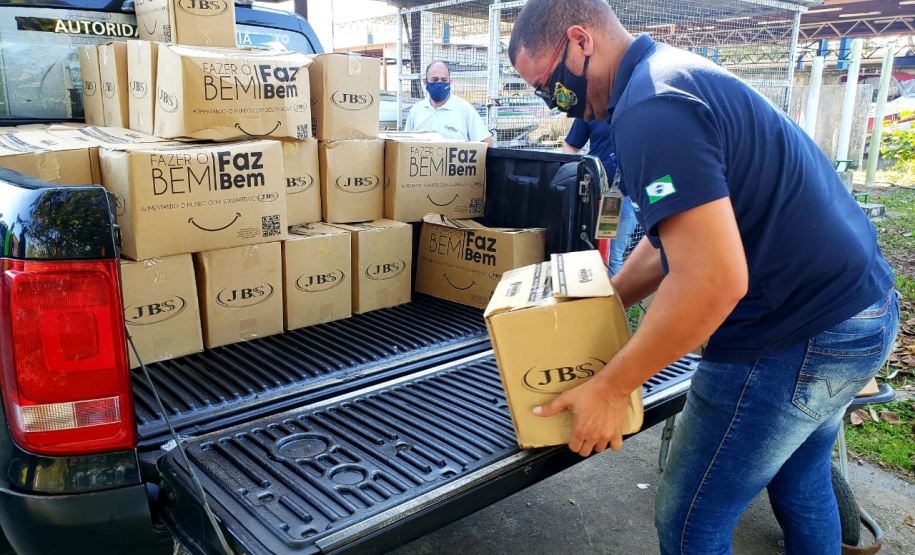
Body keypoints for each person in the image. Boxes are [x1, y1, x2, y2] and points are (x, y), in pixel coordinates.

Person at [508, 1, 898, 553]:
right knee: (803, 481)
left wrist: (612, 389)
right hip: (860, 312)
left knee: (691, 519)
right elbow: (672, 236)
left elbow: (711, 279)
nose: (554, 102)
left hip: (792, 336)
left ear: (580, 40)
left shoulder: (652, 109)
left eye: (550, 85)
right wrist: (606, 300)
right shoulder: (666, 78)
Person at [562, 118, 637, 275]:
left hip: (625, 196)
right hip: (590, 197)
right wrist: (572, 176)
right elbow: (570, 145)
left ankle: (613, 290)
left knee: (612, 257)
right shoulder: (593, 109)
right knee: (584, 252)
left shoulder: (637, 110)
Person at [405, 61, 494, 146]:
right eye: (435, 80)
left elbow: (487, 143)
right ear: (425, 82)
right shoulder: (416, 111)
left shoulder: (465, 110)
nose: (439, 84)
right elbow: (406, 143)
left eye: (444, 80)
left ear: (450, 82)